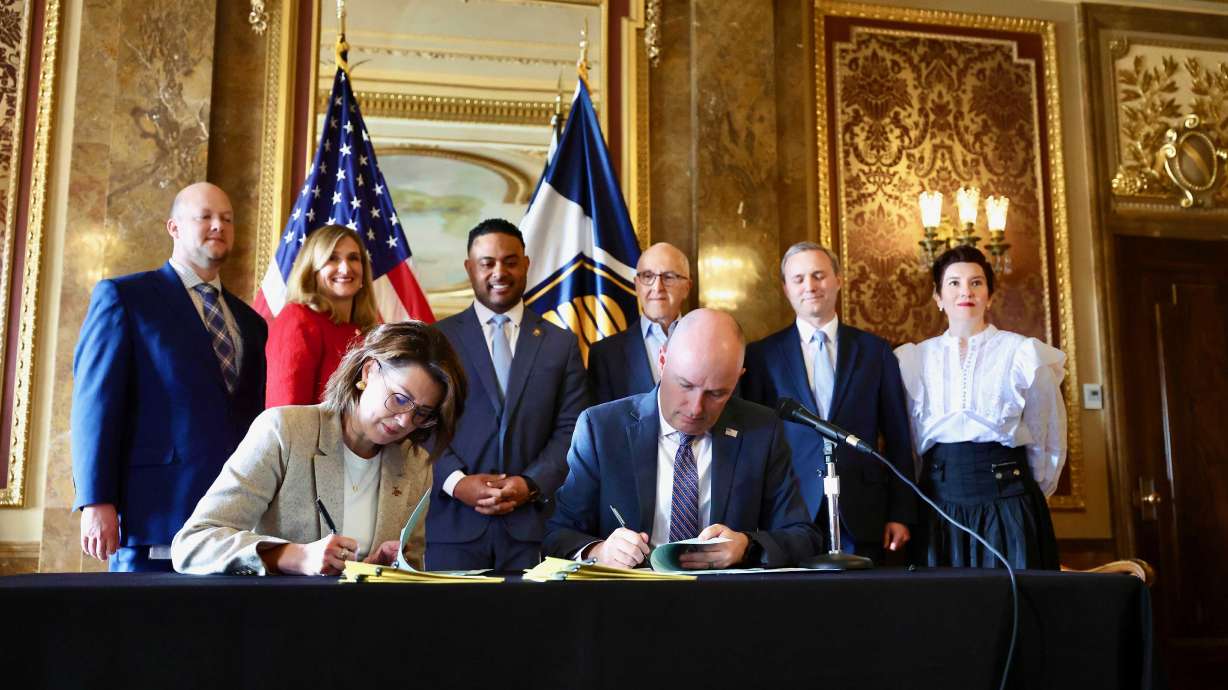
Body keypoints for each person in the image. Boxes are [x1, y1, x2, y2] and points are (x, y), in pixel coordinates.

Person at [71, 182, 268, 572]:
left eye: (227, 219)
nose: (218, 226)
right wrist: (96, 500)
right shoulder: (126, 298)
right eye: (205, 217)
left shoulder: (251, 322)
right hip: (153, 518)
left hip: (233, 524)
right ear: (173, 227)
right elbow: (95, 405)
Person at [172, 322, 466, 575]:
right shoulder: (284, 431)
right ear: (368, 372)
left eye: (422, 413)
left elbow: (410, 572)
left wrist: (376, 570)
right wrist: (293, 556)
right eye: (400, 399)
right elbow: (193, 543)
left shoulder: (416, 463)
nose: (405, 421)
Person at [545, 309, 821, 569]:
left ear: (737, 380)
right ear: (662, 361)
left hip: (724, 603)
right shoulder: (603, 428)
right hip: (627, 601)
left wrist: (747, 546)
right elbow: (557, 536)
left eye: (716, 394)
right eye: (686, 385)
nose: (696, 408)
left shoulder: (760, 430)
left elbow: (803, 537)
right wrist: (600, 551)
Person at [428, 218, 588, 570]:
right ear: (470, 269)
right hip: (453, 529)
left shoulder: (560, 345)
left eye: (510, 261)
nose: (499, 272)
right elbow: (423, 424)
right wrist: (457, 482)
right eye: (487, 263)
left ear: (526, 264)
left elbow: (572, 430)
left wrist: (530, 483)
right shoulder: (436, 342)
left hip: (535, 530)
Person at [741, 242, 916, 564]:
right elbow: (752, 442)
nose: (810, 286)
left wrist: (901, 512)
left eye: (819, 275)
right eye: (799, 279)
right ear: (785, 288)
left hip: (863, 511)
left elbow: (898, 436)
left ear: (838, 279)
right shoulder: (762, 357)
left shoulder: (875, 351)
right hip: (790, 509)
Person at [894, 246, 1065, 570]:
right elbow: (910, 443)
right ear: (938, 297)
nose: (965, 292)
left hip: (1009, 499)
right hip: (937, 502)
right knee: (948, 611)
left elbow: (1047, 439)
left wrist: (1026, 496)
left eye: (976, 283)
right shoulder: (914, 359)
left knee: (1012, 606)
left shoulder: (1023, 354)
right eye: (954, 283)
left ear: (989, 295)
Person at [265, 225, 379, 407]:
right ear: (312, 270)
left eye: (353, 258)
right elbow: (286, 412)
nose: (345, 268)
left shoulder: (366, 332)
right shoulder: (298, 319)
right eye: (332, 258)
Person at [587, 242, 692, 404]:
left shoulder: (712, 347)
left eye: (669, 277)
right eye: (648, 276)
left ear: (687, 287)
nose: (657, 287)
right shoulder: (604, 355)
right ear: (637, 285)